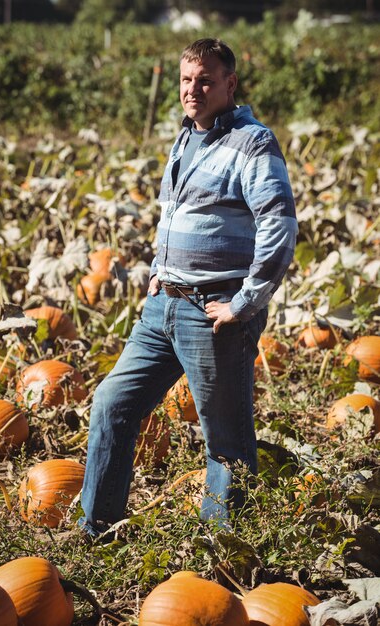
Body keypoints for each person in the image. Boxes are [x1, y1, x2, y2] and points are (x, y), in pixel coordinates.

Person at [79, 38, 298, 539]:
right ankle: (98, 527)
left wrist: (244, 303)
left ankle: (223, 551)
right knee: (113, 402)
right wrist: (158, 270)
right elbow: (172, 214)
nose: (192, 89)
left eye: (205, 79)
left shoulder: (253, 141)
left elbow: (280, 225)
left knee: (224, 440)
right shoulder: (185, 137)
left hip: (213, 311)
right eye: (186, 79)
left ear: (229, 83)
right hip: (163, 307)